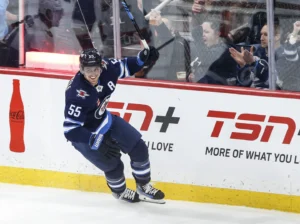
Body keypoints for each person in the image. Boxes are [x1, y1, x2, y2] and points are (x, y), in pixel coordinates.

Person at [63, 46, 165, 203]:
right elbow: (70, 130)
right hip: (85, 135)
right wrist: (94, 140)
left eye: (95, 69)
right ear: (81, 69)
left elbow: (127, 66)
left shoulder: (108, 68)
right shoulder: (77, 93)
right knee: (113, 165)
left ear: (101, 66)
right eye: (88, 70)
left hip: (105, 121)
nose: (92, 74)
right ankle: (120, 191)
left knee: (138, 147)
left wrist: (143, 58)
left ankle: (143, 185)